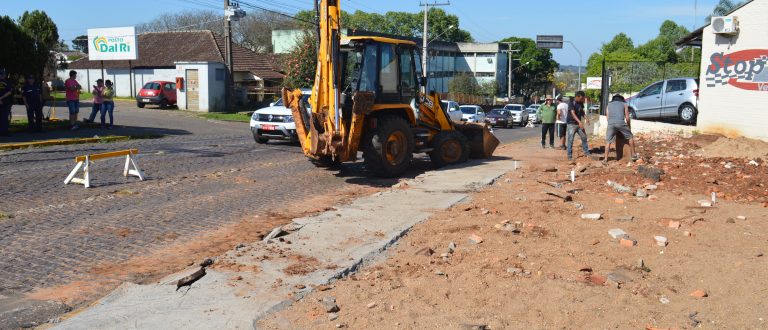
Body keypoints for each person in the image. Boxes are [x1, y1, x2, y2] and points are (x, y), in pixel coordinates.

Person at [603, 94, 638, 163]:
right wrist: (628, 126)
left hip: (610, 123)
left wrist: (611, 123)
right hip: (620, 122)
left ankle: (605, 159)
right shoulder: (624, 104)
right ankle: (634, 155)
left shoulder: (609, 104)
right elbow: (627, 117)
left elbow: (607, 116)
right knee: (630, 136)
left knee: (608, 141)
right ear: (621, 99)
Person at [566, 91, 591, 161]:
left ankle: (586, 152)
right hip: (571, 124)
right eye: (581, 98)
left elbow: (582, 111)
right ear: (577, 96)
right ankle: (569, 156)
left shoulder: (580, 102)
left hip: (578, 124)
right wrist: (579, 122)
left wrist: (586, 118)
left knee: (584, 137)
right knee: (570, 140)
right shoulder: (571, 102)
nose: (582, 100)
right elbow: (572, 113)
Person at [0, 69, 12, 136]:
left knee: (4, 117)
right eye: (3, 74)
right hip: (4, 102)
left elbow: (9, 92)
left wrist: (0, 98)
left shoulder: (7, 82)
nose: (4, 75)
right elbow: (9, 92)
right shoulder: (7, 82)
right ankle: (4, 132)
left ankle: (4, 132)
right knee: (4, 117)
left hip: (4, 102)